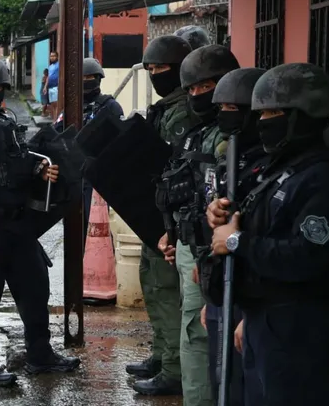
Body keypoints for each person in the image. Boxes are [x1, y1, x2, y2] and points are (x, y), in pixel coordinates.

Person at [209, 63, 329, 406]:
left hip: (298, 328)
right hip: (267, 320)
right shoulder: (279, 169)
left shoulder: (324, 177)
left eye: (273, 113)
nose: (263, 123)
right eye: (261, 114)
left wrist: (236, 241)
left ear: (302, 116)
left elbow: (306, 256)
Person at [0, 56, 80, 386]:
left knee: (36, 290)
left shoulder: (7, 121)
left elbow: (17, 163)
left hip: (19, 227)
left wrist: (39, 169)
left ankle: (40, 355)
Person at [157, 44, 239, 406]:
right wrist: (173, 232)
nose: (196, 96)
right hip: (192, 246)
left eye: (204, 87)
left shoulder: (230, 139)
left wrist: (205, 253)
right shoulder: (197, 132)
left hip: (214, 251)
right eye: (190, 89)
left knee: (198, 336)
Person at [128, 35, 197, 396]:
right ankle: (161, 354)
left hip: (173, 216)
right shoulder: (166, 107)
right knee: (153, 285)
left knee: (167, 291)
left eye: (160, 69)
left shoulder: (183, 111)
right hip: (156, 213)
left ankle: (173, 368)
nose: (154, 74)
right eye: (150, 69)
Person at [199, 67, 270, 406]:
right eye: (221, 108)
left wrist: (249, 316)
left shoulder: (271, 166)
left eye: (234, 109)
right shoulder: (229, 156)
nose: (225, 116)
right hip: (224, 287)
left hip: (252, 296)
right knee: (222, 383)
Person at [54, 58, 124, 241]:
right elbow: (54, 136)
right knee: (75, 229)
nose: (87, 80)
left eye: (91, 77)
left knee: (98, 229)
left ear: (99, 79)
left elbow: (120, 143)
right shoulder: (70, 108)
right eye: (83, 77)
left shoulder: (110, 106)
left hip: (98, 179)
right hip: (74, 177)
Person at [45, 52, 59, 118]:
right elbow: (48, 77)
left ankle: (56, 121)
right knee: (52, 106)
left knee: (56, 105)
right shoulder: (50, 67)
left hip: (56, 87)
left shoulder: (59, 65)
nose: (52, 57)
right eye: (51, 56)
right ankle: (54, 121)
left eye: (54, 56)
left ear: (57, 57)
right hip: (50, 88)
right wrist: (45, 87)